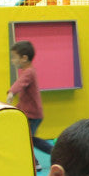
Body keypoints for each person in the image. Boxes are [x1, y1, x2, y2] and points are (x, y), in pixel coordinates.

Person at [7, 40, 54, 169]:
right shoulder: (28, 72)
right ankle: (41, 159)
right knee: (28, 138)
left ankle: (50, 156)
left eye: (14, 57)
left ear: (24, 58)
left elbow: (20, 84)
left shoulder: (28, 72)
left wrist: (11, 92)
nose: (13, 61)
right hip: (30, 113)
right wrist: (15, 108)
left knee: (28, 139)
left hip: (33, 115)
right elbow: (25, 99)